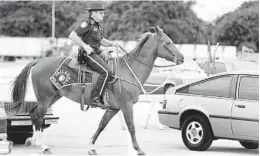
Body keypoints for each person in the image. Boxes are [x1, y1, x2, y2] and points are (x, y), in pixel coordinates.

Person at [69, 2, 118, 109]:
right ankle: (95, 99)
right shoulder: (87, 24)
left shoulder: (97, 26)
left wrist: (112, 43)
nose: (103, 15)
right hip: (88, 54)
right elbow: (72, 35)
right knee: (106, 72)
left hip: (96, 52)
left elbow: (101, 41)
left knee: (113, 66)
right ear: (93, 13)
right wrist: (85, 46)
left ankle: (107, 94)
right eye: (101, 13)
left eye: (103, 13)